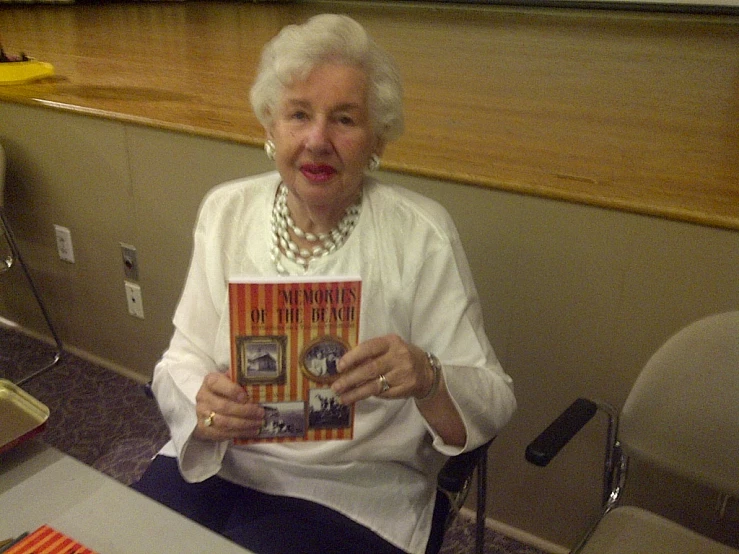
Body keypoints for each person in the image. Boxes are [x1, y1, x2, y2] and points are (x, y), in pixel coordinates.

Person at [133, 13, 516, 554]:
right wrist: (202, 400)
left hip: (352, 489)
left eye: (344, 119)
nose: (317, 140)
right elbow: (182, 356)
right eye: (298, 114)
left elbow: (493, 397)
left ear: (377, 137)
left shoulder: (419, 232)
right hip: (227, 461)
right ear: (270, 127)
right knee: (122, 536)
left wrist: (428, 376)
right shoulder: (226, 211)